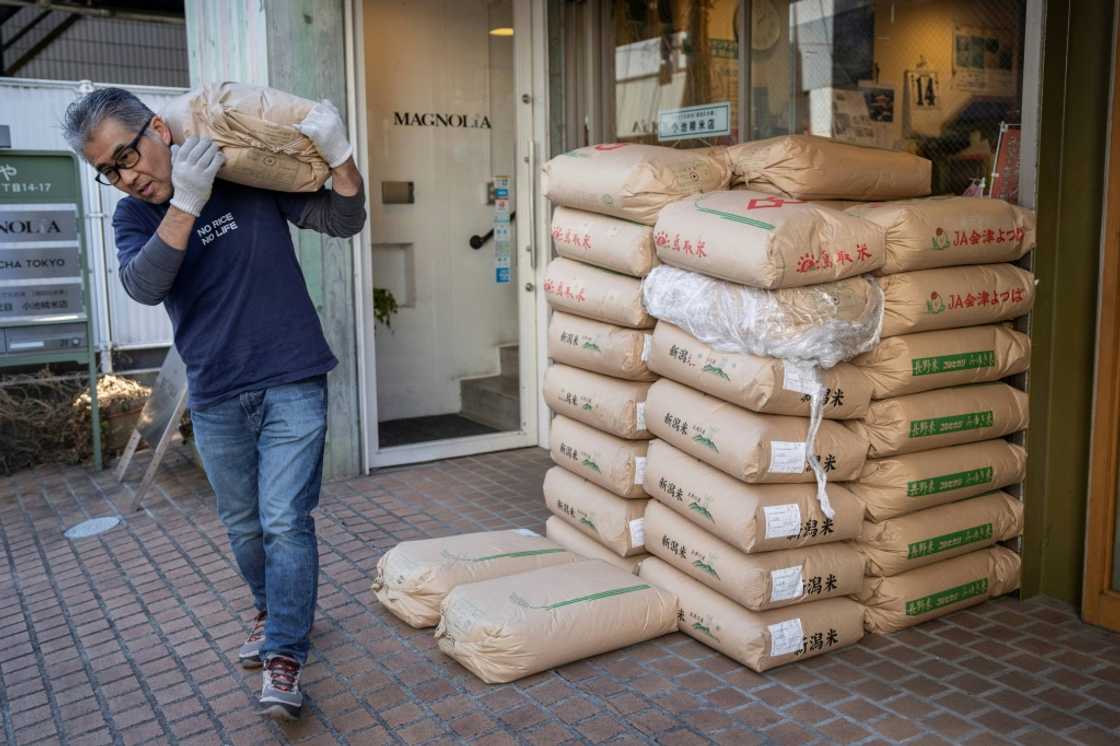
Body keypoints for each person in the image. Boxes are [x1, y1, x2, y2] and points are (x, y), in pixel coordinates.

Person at [62, 87, 366, 721]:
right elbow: (144, 286)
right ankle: (270, 608)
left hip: (291, 372)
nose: (128, 176)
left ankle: (285, 649)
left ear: (157, 130)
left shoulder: (245, 171)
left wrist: (341, 157)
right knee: (244, 525)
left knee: (285, 519)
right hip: (217, 388)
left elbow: (343, 220)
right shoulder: (134, 217)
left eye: (128, 154)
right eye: (110, 171)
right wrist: (186, 203)